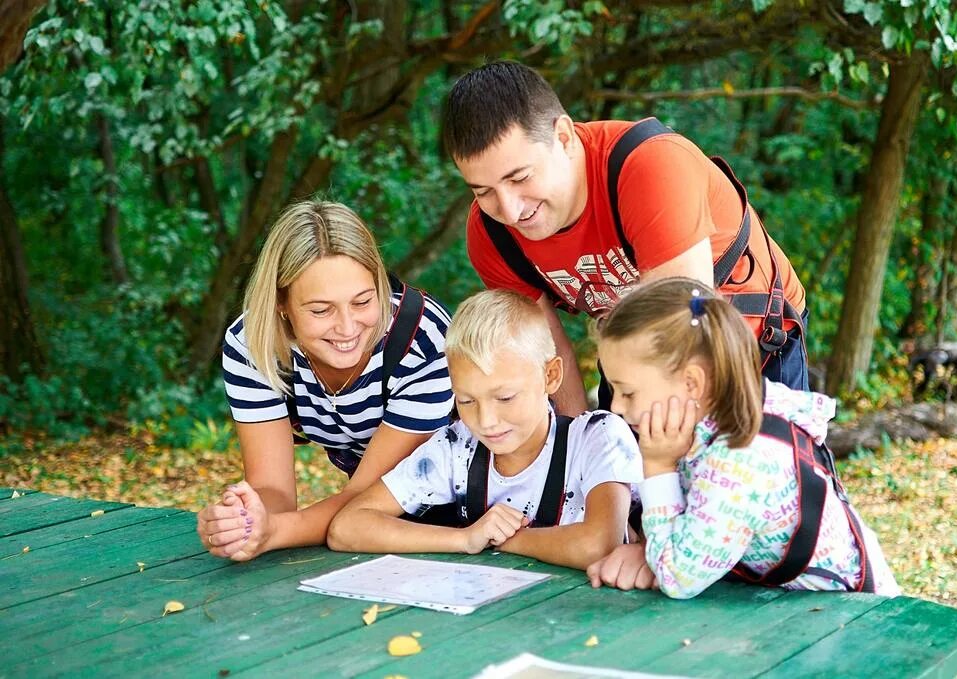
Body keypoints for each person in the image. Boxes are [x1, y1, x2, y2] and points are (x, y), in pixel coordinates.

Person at [442, 60, 808, 416]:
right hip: (631, 357)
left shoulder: (649, 167)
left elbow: (685, 325)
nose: (509, 210)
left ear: (564, 137)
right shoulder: (491, 233)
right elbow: (548, 353)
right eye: (483, 191)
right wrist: (573, 452)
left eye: (520, 178)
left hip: (746, 338)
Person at [586, 277, 898, 598]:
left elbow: (678, 577)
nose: (618, 407)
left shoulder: (740, 455)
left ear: (692, 383)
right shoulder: (713, 423)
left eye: (627, 392)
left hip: (854, 611)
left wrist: (658, 466)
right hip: (790, 604)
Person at [196, 201, 455, 561]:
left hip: (474, 506)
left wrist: (272, 533)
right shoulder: (252, 345)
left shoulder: (423, 341)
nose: (348, 328)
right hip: (379, 526)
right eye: (321, 310)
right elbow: (272, 488)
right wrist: (245, 520)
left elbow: (366, 498)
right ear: (281, 302)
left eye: (363, 302)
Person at [327, 289, 643, 570]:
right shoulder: (456, 448)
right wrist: (464, 539)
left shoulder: (597, 437)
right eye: (466, 400)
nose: (486, 420)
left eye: (504, 397)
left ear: (550, 375)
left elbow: (600, 545)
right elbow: (347, 528)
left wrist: (507, 540)